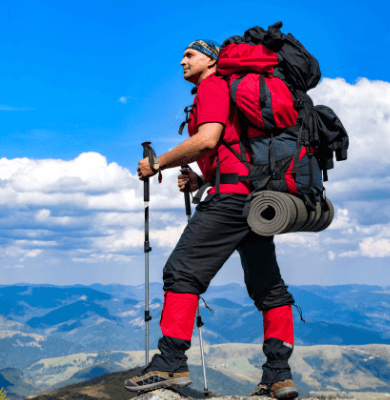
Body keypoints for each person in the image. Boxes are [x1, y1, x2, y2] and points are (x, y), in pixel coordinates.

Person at [124, 39, 299, 399]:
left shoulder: (213, 86)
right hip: (256, 198)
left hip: (231, 201)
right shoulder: (233, 91)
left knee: (182, 271)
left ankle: (169, 364)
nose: (181, 61)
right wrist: (203, 180)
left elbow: (207, 140)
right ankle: (278, 375)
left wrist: (157, 164)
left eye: (189, 55)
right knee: (268, 287)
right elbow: (231, 149)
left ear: (211, 59)